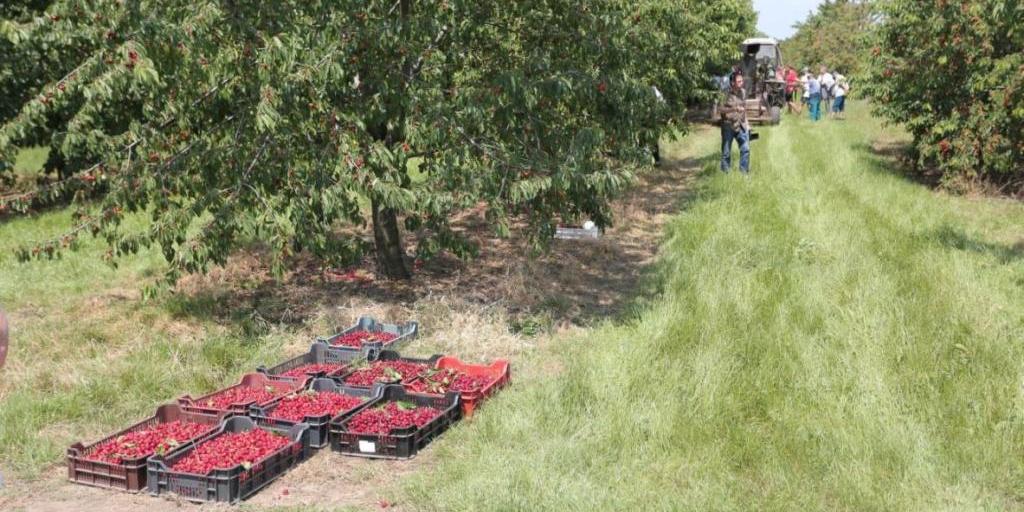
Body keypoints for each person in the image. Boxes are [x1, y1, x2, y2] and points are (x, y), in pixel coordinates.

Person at [719, 71, 751, 175]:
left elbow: (744, 109)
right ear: (732, 82)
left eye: (742, 80)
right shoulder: (724, 93)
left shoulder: (743, 92)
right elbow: (721, 110)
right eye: (739, 81)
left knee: (745, 149)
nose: (741, 82)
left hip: (740, 125)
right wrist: (734, 108)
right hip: (728, 125)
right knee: (726, 152)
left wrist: (747, 123)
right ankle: (725, 174)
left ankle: (744, 173)